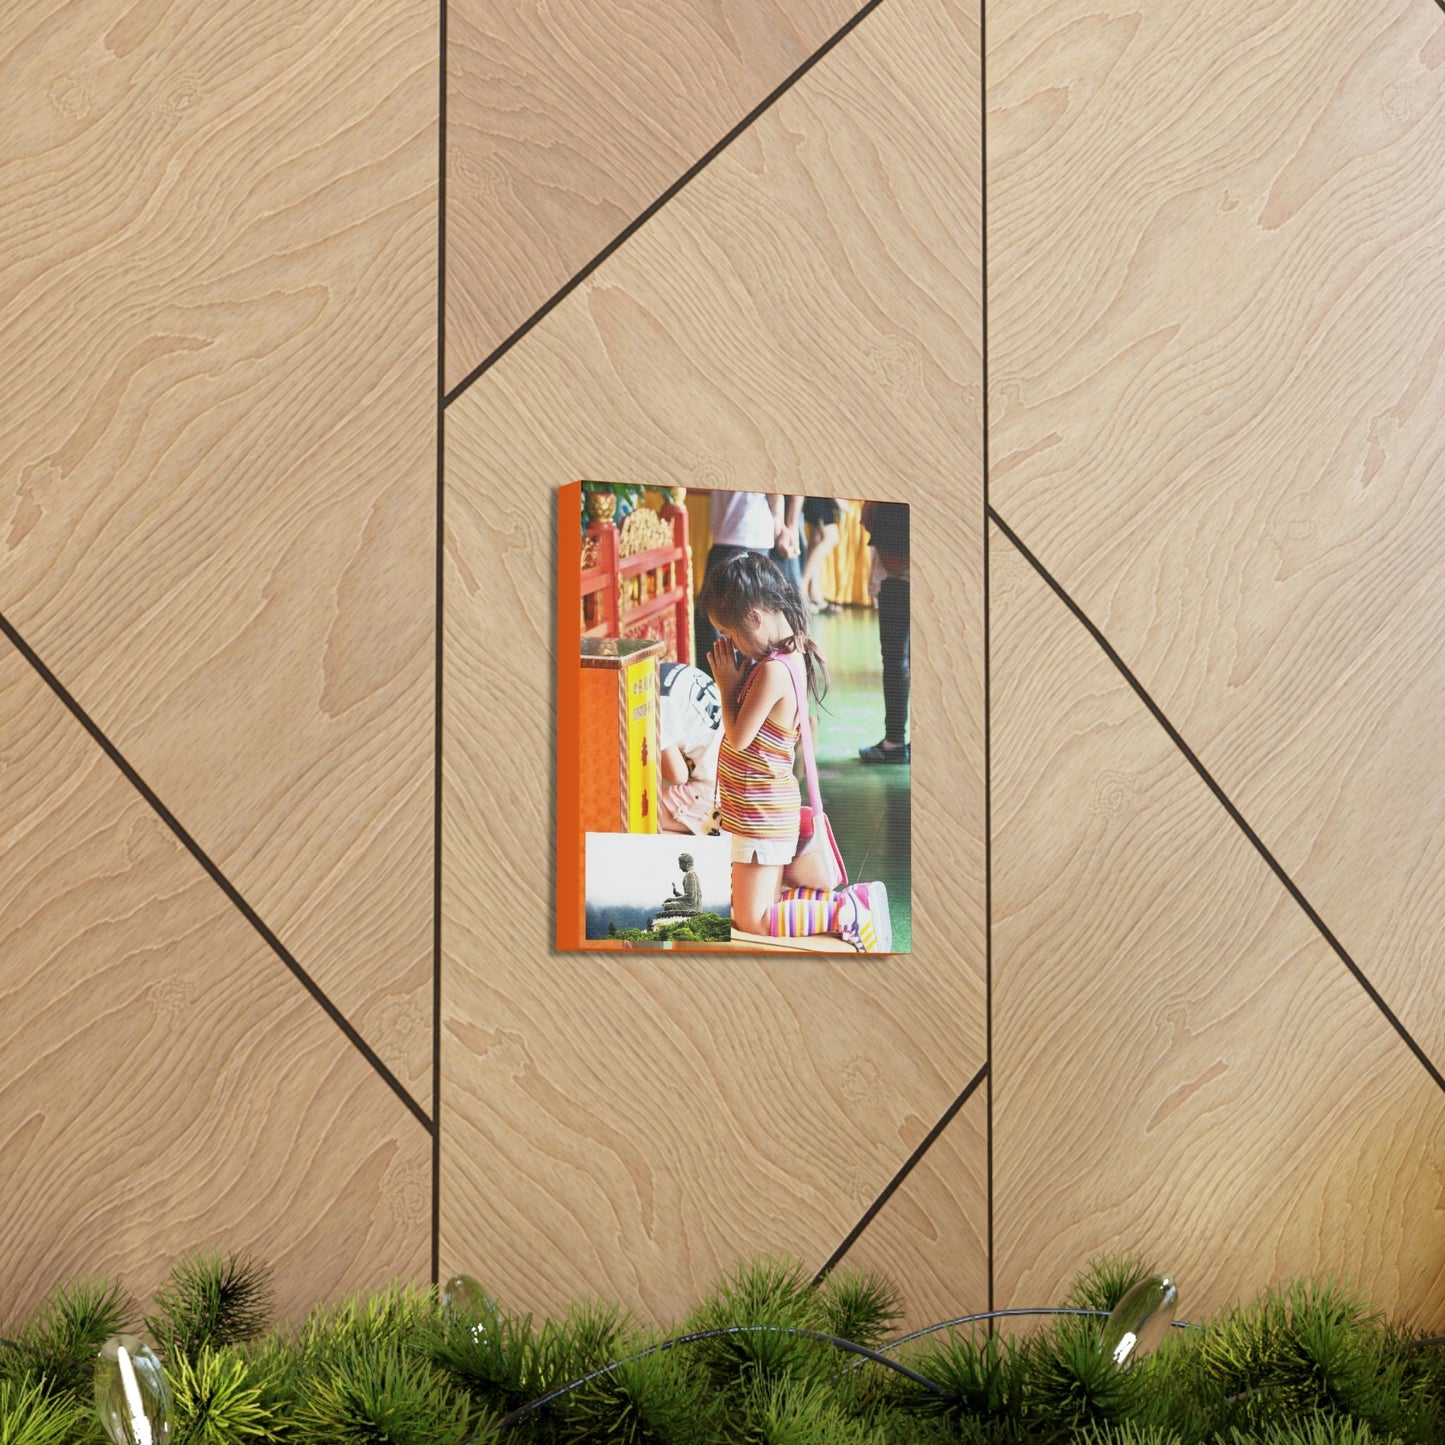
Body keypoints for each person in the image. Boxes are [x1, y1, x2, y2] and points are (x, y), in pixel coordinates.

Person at [698, 551, 892, 952]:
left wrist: (725, 684)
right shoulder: (785, 656)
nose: (733, 646)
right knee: (754, 907)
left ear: (754, 618)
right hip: (761, 811)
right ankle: (841, 906)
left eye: (732, 635)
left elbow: (738, 737)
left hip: (761, 814)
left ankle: (849, 909)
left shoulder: (771, 670)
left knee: (752, 919)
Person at [693, 490, 798, 672]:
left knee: (735, 619)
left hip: (746, 531)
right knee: (721, 618)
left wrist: (782, 526)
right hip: (734, 534)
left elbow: (774, 487)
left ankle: (732, 685)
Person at [858, 500, 910, 764]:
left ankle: (894, 742)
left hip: (900, 584)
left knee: (896, 664)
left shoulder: (891, 502)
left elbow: (892, 557)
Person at [655, 661, 722, 834]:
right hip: (734, 766)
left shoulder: (653, 703)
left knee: (634, 812)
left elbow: (679, 775)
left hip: (715, 791)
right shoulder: (664, 670)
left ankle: (717, 831)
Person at [800, 496, 842, 613]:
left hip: (816, 496)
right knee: (831, 537)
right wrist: (837, 498)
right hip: (818, 496)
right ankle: (803, 585)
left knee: (816, 539)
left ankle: (815, 593)